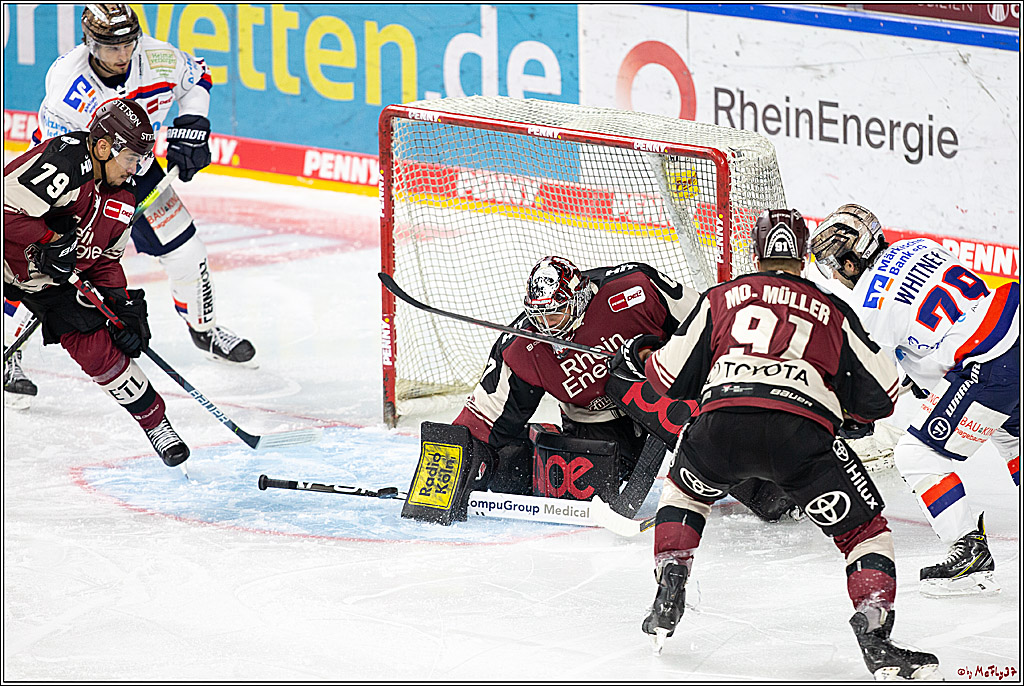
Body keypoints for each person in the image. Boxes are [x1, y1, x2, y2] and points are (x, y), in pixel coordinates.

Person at [615, 209, 938, 679]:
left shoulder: (721, 298)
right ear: (805, 255)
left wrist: (642, 352)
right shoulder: (832, 310)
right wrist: (846, 414)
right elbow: (883, 395)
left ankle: (672, 581)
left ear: (756, 251)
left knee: (684, 493)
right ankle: (875, 634)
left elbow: (666, 378)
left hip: (721, 429)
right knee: (865, 534)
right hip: (800, 439)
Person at [4, 4, 255, 403]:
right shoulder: (67, 84)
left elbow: (198, 77)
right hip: (74, 180)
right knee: (39, 263)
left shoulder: (157, 57)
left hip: (134, 168)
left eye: (128, 43)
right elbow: (59, 155)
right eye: (110, 46)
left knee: (187, 250)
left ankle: (203, 330)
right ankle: (7, 351)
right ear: (90, 42)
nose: (122, 55)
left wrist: (195, 125)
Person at [451, 256, 799, 522]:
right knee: (582, 493)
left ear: (579, 299)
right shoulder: (521, 347)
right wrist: (454, 460)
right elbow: (486, 415)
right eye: (537, 316)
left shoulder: (635, 287)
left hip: (665, 395)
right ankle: (537, 441)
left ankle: (769, 484)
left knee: (701, 436)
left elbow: (708, 322)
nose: (545, 327)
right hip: (596, 420)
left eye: (554, 316)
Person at [810, 203, 1018, 597]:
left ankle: (969, 551)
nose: (836, 275)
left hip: (990, 361)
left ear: (852, 264)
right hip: (1014, 317)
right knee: (1012, 437)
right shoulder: (920, 245)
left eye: (836, 266)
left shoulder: (868, 308)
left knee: (917, 455)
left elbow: (879, 386)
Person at [4, 98, 189, 468]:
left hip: (54, 281)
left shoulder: (124, 195)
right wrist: (49, 239)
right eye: (130, 158)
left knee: (100, 348)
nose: (136, 169)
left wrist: (120, 303)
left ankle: (157, 425)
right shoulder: (66, 163)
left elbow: (106, 259)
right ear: (103, 147)